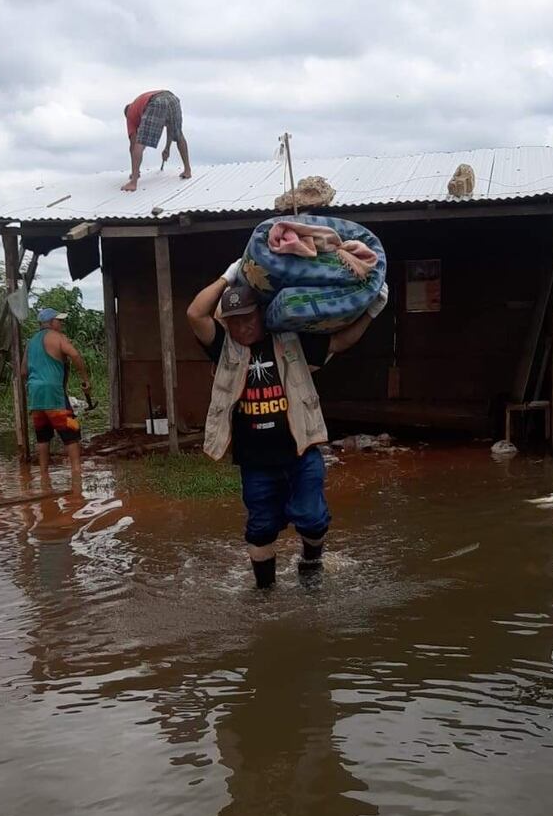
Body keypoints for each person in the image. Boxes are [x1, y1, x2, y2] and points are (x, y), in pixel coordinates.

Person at [187, 266, 388, 588]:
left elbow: (339, 342)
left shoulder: (290, 339)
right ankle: (264, 592)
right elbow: (196, 313)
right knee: (261, 527)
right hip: (255, 461)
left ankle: (310, 563)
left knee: (311, 517)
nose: (242, 326)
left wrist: (371, 312)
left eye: (248, 317)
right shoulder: (224, 345)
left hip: (300, 451)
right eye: (234, 319)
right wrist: (228, 276)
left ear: (263, 313)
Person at [21, 307, 91, 488]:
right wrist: (85, 379)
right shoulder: (57, 337)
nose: (61, 323)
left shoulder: (30, 342)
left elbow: (23, 371)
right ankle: (77, 475)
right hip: (54, 394)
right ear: (50, 323)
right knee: (72, 431)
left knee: (43, 437)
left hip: (36, 397)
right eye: (58, 320)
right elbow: (74, 354)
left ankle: (44, 477)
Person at [121, 90, 191, 191]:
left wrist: (134, 173)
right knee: (179, 134)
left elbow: (133, 144)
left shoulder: (131, 115)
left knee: (139, 142)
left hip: (156, 102)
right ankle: (187, 170)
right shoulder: (139, 103)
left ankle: (133, 183)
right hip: (172, 98)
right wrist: (167, 148)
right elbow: (170, 128)